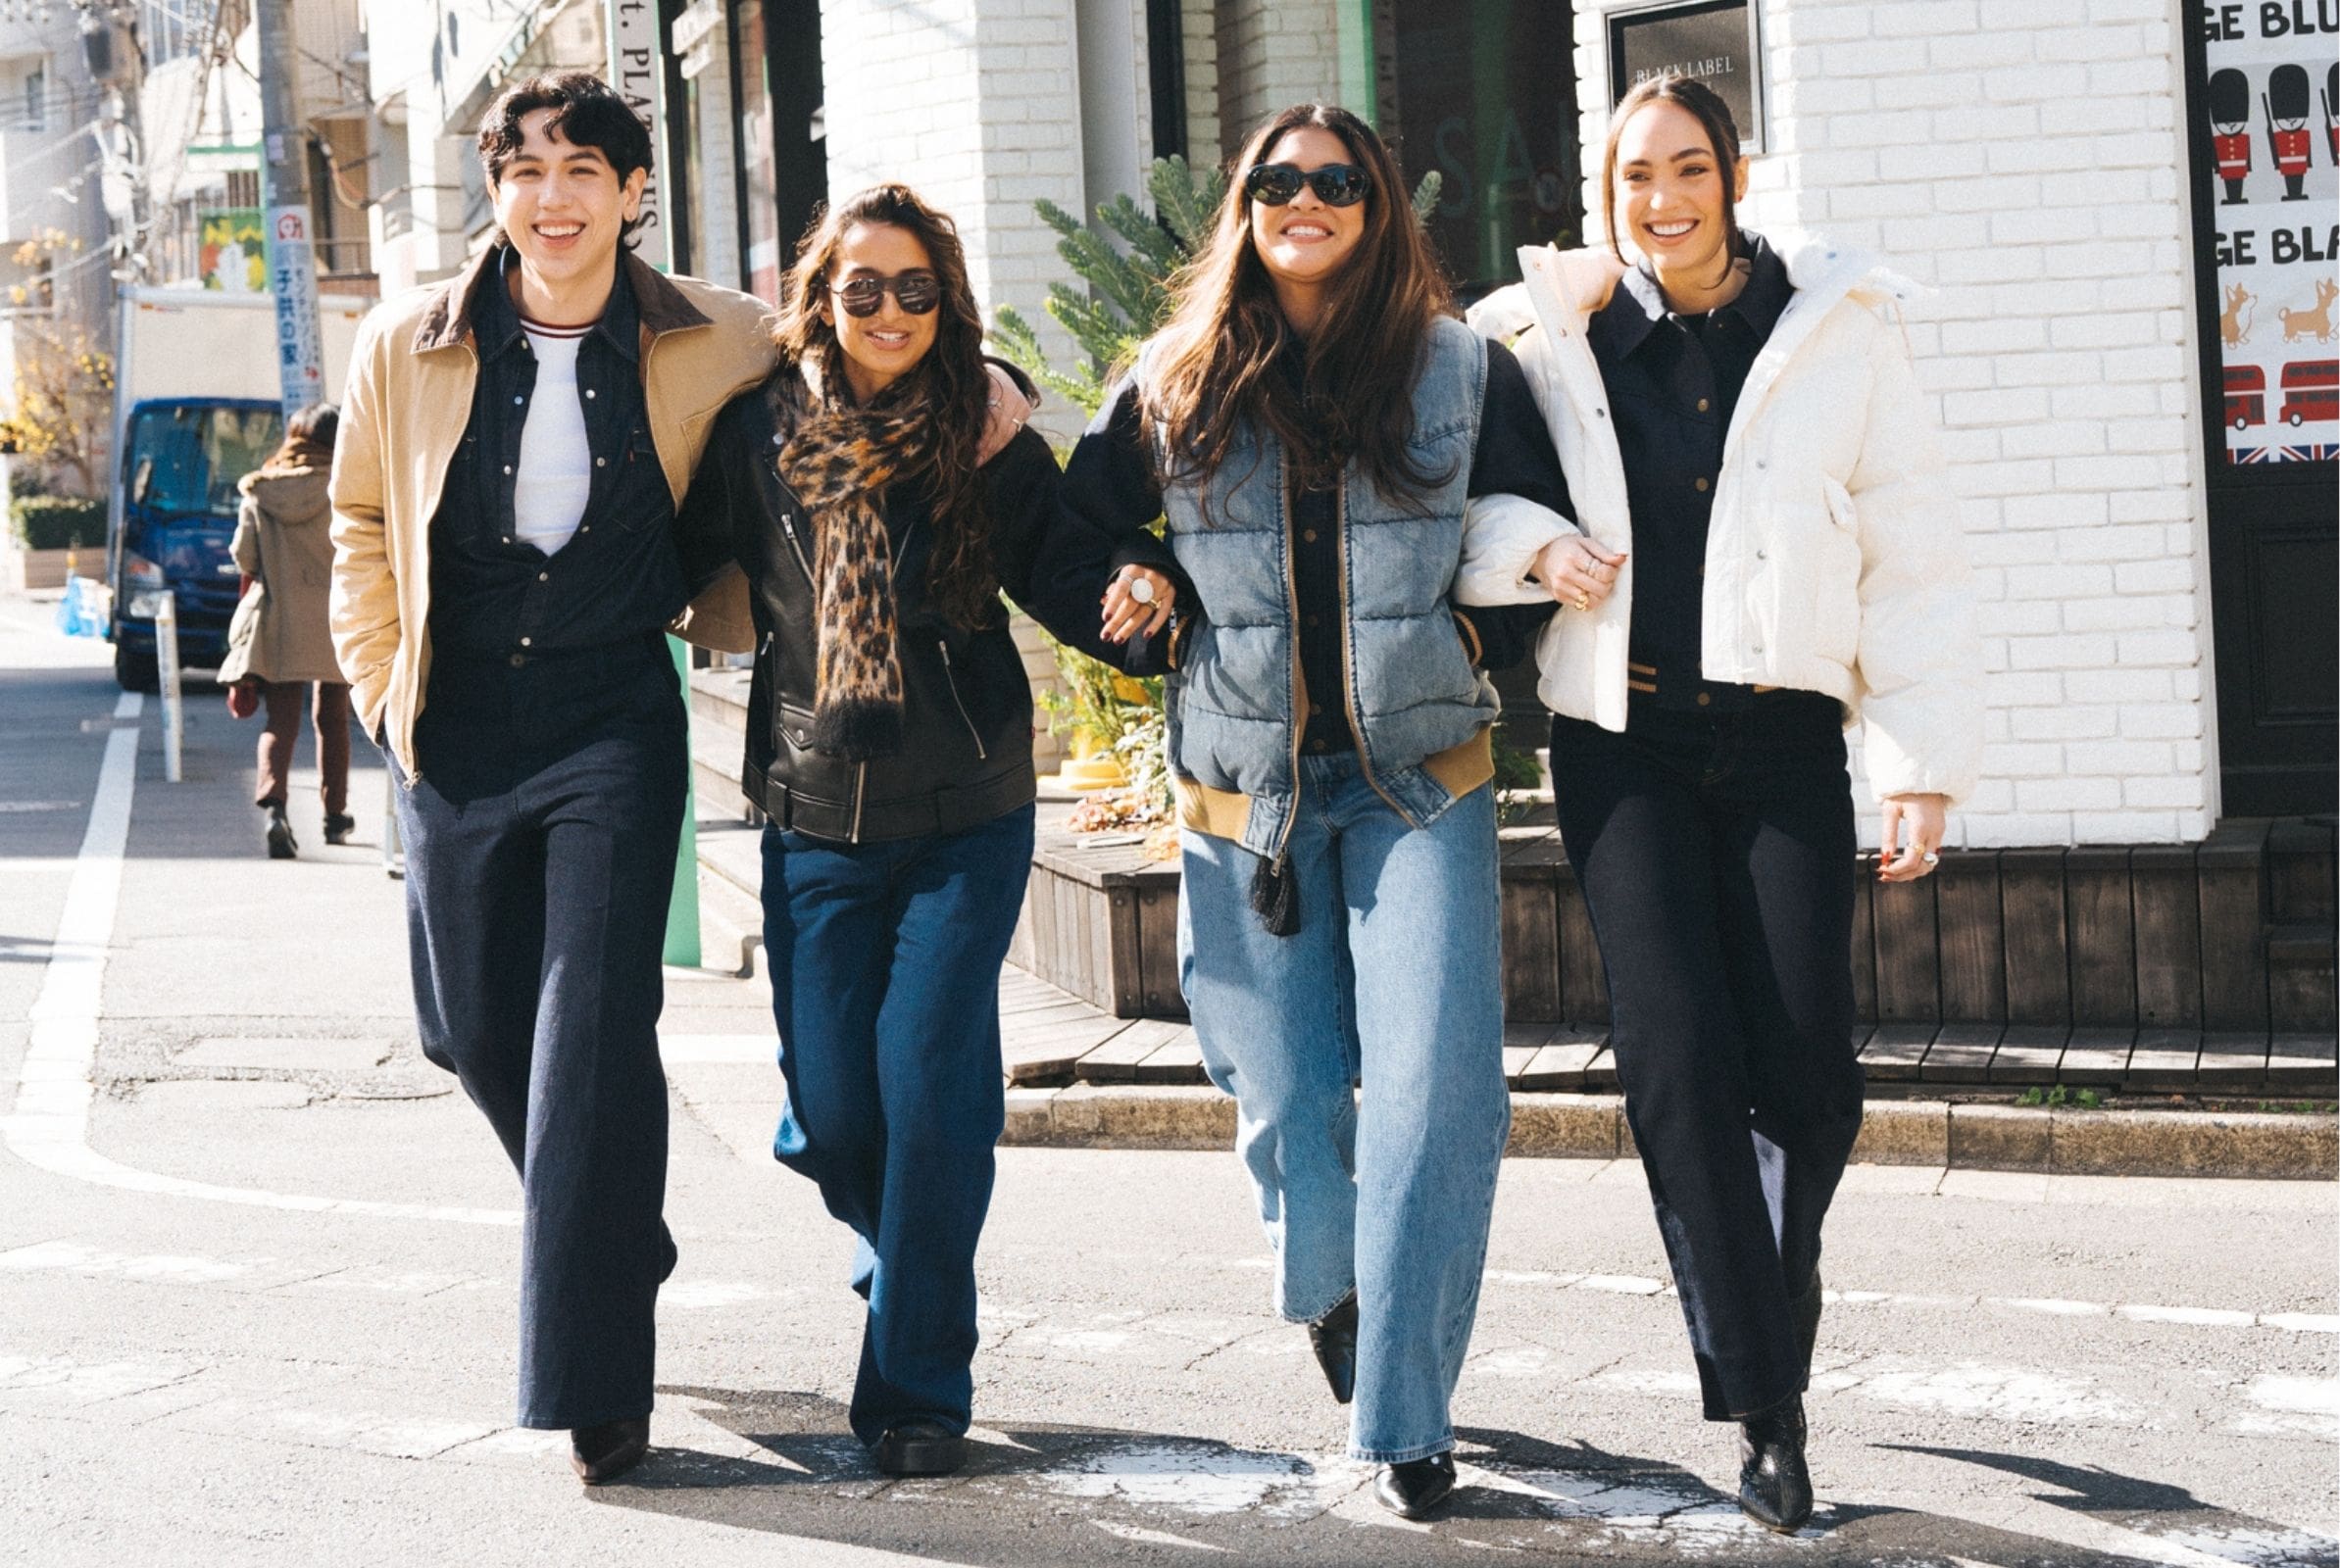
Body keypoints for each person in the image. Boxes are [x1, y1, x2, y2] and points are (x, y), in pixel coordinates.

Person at [1462, 75, 1982, 1534]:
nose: (1661, 198)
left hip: (1779, 740)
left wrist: (1918, 762)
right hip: (1618, 748)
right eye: (1634, 176)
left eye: (1686, 168)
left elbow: (1908, 547)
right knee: (1678, 1067)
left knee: (1809, 1078)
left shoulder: (1833, 327)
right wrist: (1534, 549)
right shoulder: (1544, 335)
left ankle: (1764, 1261)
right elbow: (1477, 497)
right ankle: (1765, 1407)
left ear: (1732, 174)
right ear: (1602, 188)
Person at [1063, 104, 1570, 1520]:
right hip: (1244, 793)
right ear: (1246, 206)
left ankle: (1403, 1416)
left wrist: (1483, 657)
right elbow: (1079, 534)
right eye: (1279, 182)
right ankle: (1332, 1280)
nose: (1306, 200)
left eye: (1335, 181)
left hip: (1421, 782)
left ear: (1373, 207)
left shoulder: (1462, 370)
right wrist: (1139, 597)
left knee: (1433, 1093)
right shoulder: (1170, 381)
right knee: (1282, 1094)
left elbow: (1523, 528)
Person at [674, 183, 1181, 1478]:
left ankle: (914, 1389)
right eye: (862, 289)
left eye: (914, 289)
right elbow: (672, 561)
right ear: (821, 300)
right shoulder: (756, 435)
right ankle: (896, 1235)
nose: (889, 311)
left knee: (924, 1092)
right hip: (811, 811)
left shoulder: (985, 429)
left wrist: (1128, 600)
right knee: (834, 1109)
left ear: (944, 301)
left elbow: (1064, 568)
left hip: (966, 808)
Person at [327, 72, 774, 1486]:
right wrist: (376, 680)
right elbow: (355, 518)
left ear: (634, 192)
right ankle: (613, 1236)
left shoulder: (722, 334)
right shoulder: (409, 339)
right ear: (494, 191)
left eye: (582, 168)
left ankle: (596, 1387)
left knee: (590, 1033)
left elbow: (879, 343)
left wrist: (998, 384)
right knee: (471, 1033)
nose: (553, 196)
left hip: (609, 720)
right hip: (451, 719)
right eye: (523, 170)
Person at [222, 403, 351, 858]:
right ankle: (335, 816)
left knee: (281, 721)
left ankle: (275, 807)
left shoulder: (260, 489)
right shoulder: (348, 484)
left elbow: (246, 559)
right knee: (332, 718)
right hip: (339, 618)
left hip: (280, 617)